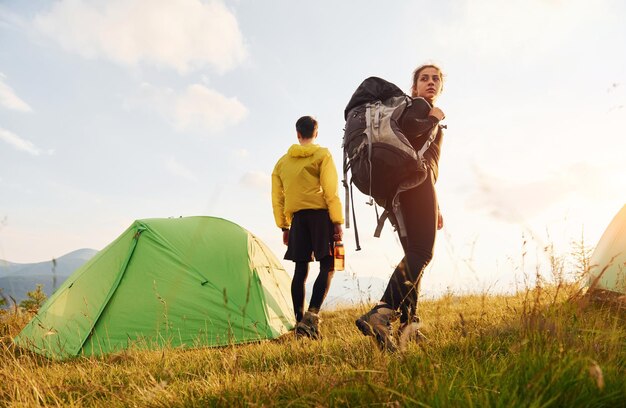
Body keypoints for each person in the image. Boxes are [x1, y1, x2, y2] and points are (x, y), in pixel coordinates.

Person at [355, 64, 446, 351]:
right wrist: (433, 117)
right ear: (414, 86)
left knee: (412, 256)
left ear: (441, 86)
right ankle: (381, 313)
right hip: (415, 184)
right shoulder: (419, 107)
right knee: (422, 252)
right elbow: (412, 136)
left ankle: (409, 324)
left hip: (405, 188)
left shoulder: (415, 107)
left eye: (436, 79)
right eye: (424, 78)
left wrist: (437, 205)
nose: (430, 82)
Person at [271, 116, 344, 339]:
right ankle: (312, 318)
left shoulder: (282, 163)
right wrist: (337, 221)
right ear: (316, 133)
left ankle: (299, 322)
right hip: (321, 216)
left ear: (298, 134)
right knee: (328, 265)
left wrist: (284, 227)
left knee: (300, 271)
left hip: (298, 221)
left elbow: (277, 198)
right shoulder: (322, 155)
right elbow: (330, 190)